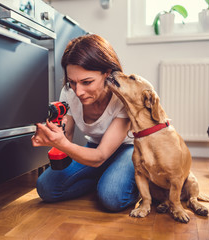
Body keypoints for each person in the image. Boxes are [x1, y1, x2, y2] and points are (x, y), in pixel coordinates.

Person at [31, 34, 139, 212]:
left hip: (128, 149)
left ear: (107, 73)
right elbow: (67, 138)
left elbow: (101, 155)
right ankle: (102, 180)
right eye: (72, 82)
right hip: (94, 148)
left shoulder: (123, 98)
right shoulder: (69, 93)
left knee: (112, 198)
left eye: (87, 82)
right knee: (46, 188)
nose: (78, 91)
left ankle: (136, 186)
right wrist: (52, 136)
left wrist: (62, 143)